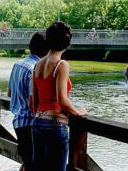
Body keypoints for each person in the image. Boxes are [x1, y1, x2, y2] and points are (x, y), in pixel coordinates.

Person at [31, 21, 87, 171]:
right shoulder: (61, 65)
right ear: (67, 43)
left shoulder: (37, 64)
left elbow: (33, 101)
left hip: (37, 123)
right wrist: (77, 111)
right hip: (55, 125)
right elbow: (62, 100)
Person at [8, 32, 49, 171]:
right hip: (30, 124)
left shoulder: (17, 64)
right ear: (47, 49)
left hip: (18, 121)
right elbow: (33, 103)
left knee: (28, 164)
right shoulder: (34, 68)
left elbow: (9, 93)